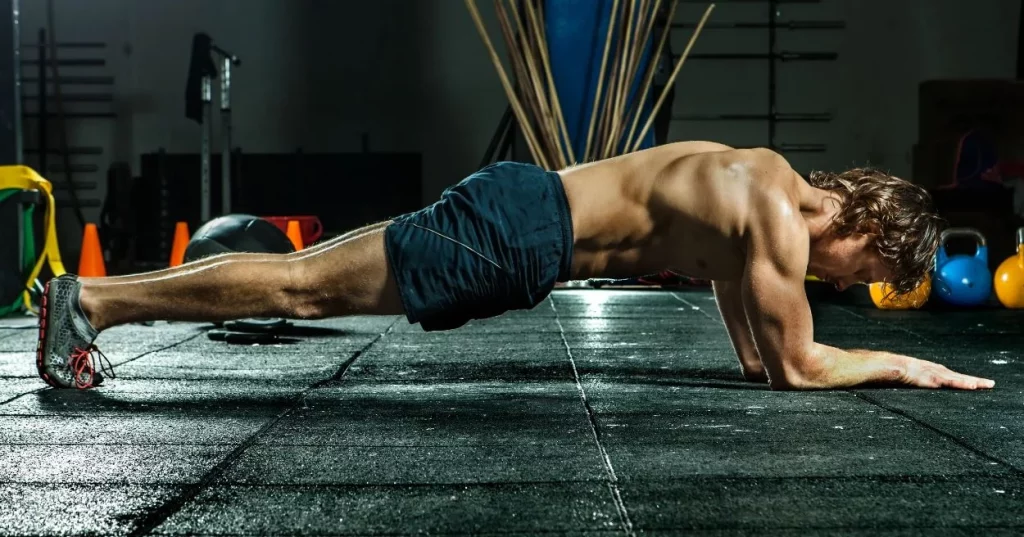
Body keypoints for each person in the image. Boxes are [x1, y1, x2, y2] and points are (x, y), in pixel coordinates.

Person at [36, 141, 995, 391]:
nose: (848, 282)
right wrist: (906, 363)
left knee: (309, 274)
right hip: (515, 234)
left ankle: (95, 301)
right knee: (301, 287)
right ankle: (92, 302)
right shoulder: (781, 222)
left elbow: (745, 321)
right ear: (866, 219)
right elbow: (799, 367)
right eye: (868, 264)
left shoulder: (765, 182)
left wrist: (756, 345)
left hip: (520, 206)